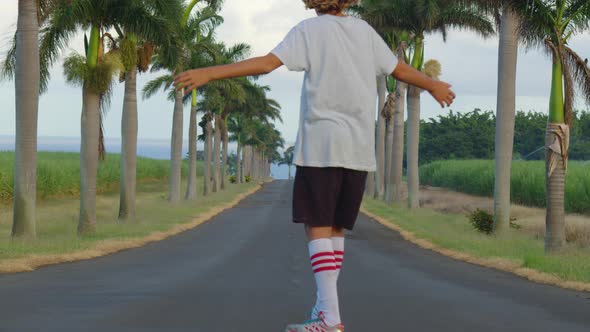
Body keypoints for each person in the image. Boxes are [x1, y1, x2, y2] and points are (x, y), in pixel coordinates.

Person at [174, 0, 455, 331]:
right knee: (335, 228)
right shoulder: (364, 32)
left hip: (322, 143)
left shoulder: (309, 30)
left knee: (317, 226)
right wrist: (433, 84)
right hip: (358, 148)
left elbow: (266, 65)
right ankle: (325, 310)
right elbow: (398, 69)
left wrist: (210, 72)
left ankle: (330, 318)